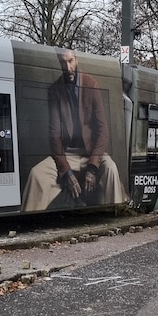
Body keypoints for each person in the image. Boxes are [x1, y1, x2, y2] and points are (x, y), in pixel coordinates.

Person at [22, 48, 126, 211]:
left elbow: (103, 130)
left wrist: (93, 165)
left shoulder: (92, 84)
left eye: (70, 61)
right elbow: (54, 135)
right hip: (67, 153)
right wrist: (66, 171)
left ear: (76, 60)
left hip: (92, 152)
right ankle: (27, 224)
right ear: (59, 62)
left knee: (111, 169)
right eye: (63, 62)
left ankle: (117, 215)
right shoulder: (55, 90)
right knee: (36, 175)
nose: (68, 67)